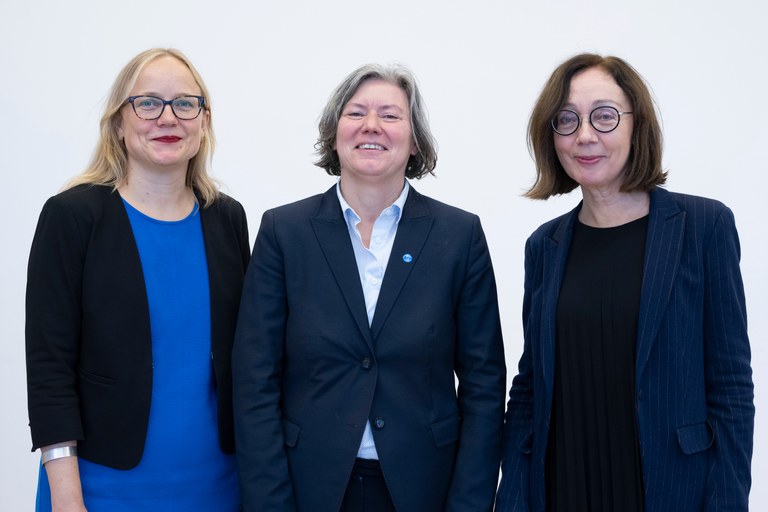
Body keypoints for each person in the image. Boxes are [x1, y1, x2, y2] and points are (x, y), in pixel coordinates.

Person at [232, 63, 506, 512]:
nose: (371, 126)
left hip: (425, 487)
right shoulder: (285, 231)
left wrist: (471, 503)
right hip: (308, 486)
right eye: (356, 113)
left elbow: (484, 383)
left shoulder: (459, 235)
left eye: (391, 115)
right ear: (334, 132)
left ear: (415, 139)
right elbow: (254, 380)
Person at [496, 53, 754, 511]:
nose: (585, 135)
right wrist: (513, 498)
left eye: (605, 116)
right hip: (563, 488)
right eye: (566, 120)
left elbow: (732, 387)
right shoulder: (545, 245)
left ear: (638, 125)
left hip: (669, 490)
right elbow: (530, 388)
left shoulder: (703, 226)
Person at [25, 48, 250, 511]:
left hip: (218, 489)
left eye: (185, 104)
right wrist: (68, 499)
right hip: (100, 489)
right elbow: (49, 368)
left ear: (204, 122)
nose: (167, 118)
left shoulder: (227, 219)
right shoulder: (73, 217)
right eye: (147, 103)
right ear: (118, 124)